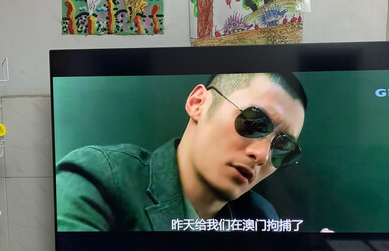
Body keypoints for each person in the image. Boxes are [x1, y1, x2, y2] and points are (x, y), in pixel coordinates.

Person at [56, 72, 307, 231]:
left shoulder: (262, 217)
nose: (262, 155)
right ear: (198, 103)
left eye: (282, 146)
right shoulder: (99, 177)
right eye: (254, 123)